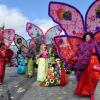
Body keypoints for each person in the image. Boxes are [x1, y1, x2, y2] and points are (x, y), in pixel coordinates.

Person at [74, 32, 100, 100]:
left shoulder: (95, 44)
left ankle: (90, 92)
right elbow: (78, 54)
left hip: (95, 61)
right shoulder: (82, 45)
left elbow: (99, 52)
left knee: (95, 77)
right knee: (87, 78)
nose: (87, 38)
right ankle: (91, 93)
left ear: (91, 37)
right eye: (85, 37)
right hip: (86, 63)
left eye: (88, 37)